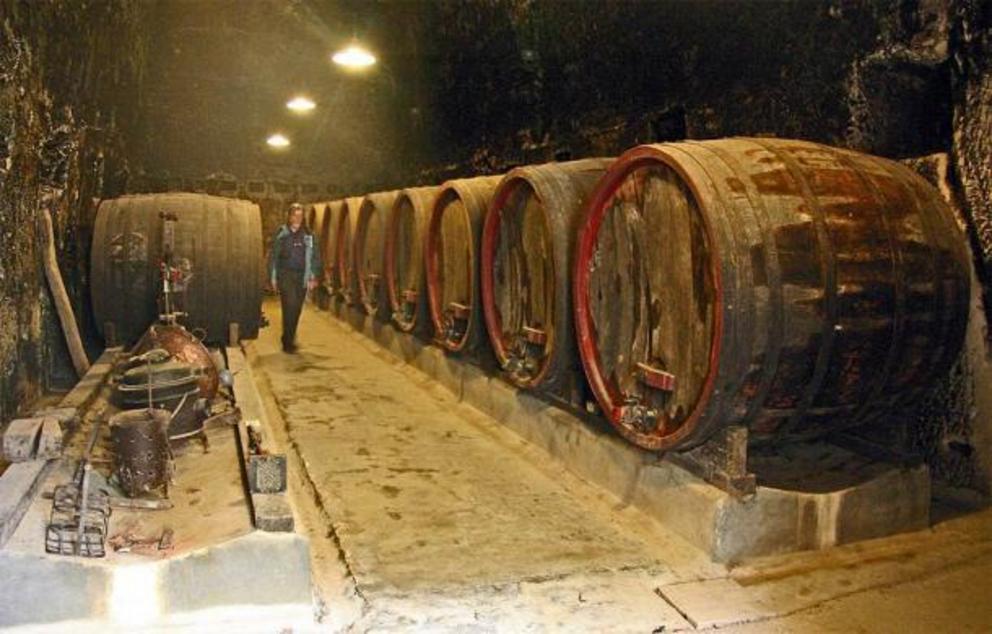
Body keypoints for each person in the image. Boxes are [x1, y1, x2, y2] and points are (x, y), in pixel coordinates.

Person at [268, 202, 321, 352]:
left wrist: (313, 276)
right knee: (289, 305)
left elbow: (315, 257)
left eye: (300, 215)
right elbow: (273, 256)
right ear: (289, 217)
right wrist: (272, 277)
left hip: (301, 276)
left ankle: (288, 336)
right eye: (294, 215)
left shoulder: (308, 235)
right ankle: (288, 341)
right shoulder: (282, 234)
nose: (297, 218)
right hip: (285, 274)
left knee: (296, 309)